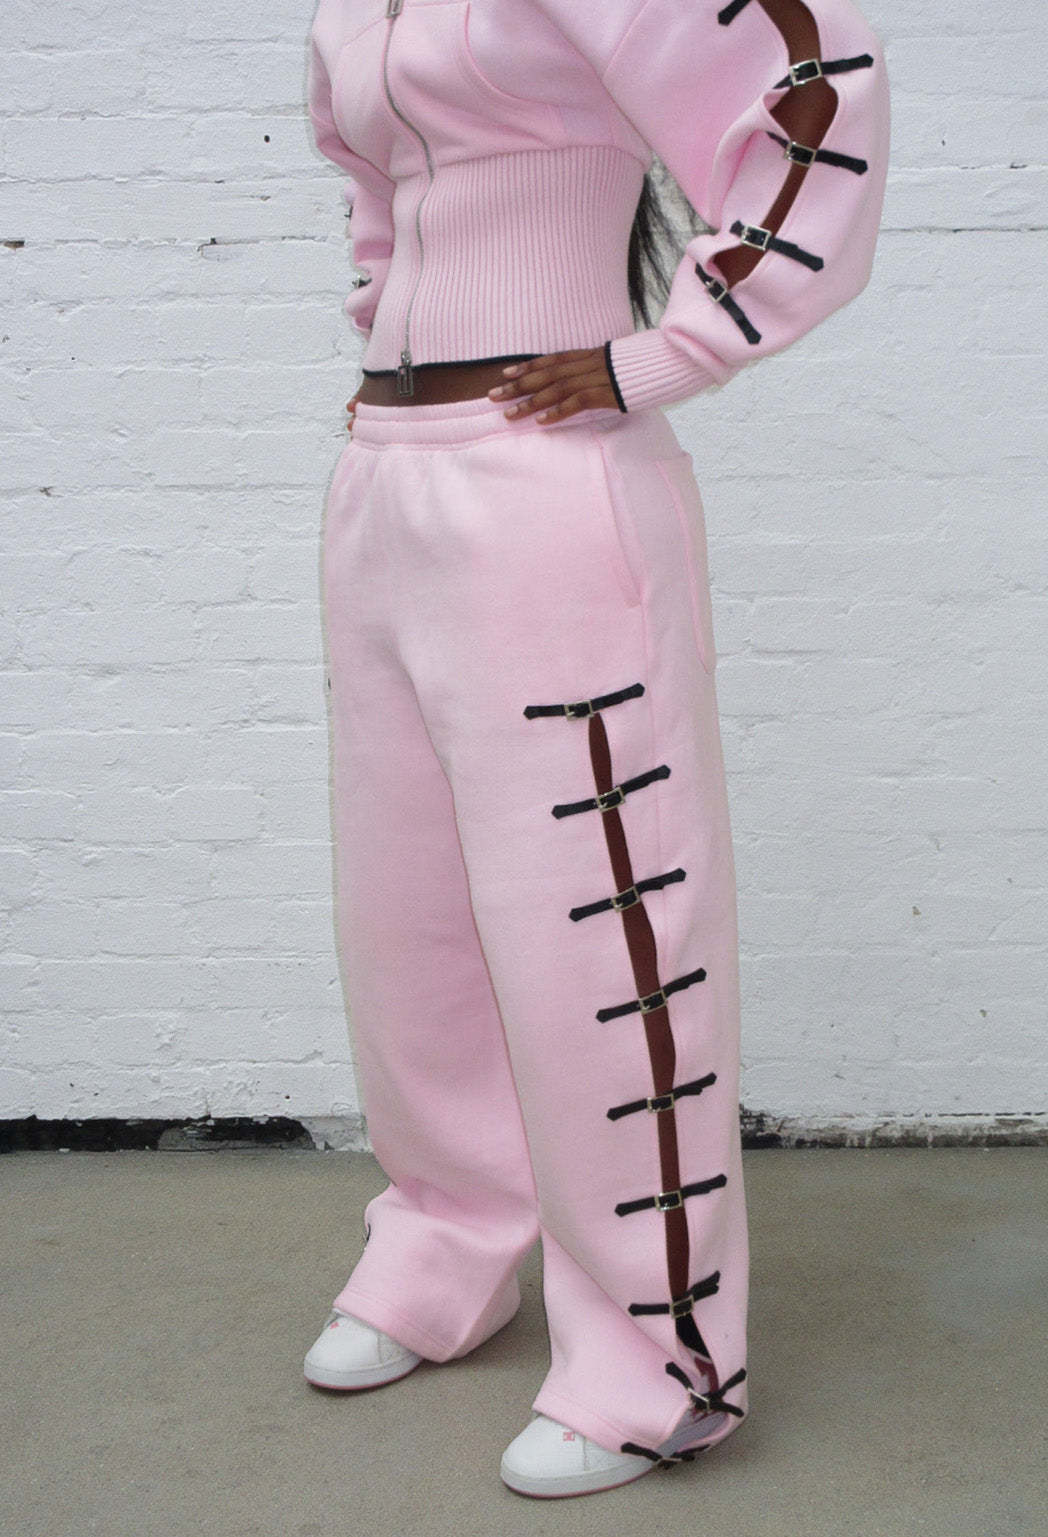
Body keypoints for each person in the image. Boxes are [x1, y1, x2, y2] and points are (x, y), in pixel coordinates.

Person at [300, 0, 890, 1501]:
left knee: (600, 935)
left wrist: (668, 351)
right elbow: (380, 196)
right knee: (410, 927)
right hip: (386, 480)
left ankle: (657, 1359)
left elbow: (811, 81)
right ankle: (447, 1247)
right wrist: (384, 314)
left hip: (548, 483)